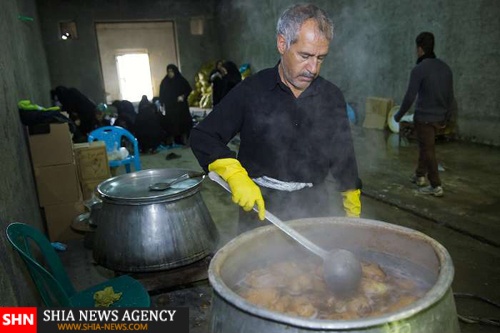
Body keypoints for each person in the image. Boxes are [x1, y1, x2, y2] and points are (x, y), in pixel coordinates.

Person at [190, 4, 362, 233]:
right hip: (261, 208)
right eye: (305, 55)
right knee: (258, 268)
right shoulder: (251, 90)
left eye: (321, 58)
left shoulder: (331, 96)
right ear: (282, 44)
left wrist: (351, 202)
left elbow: (343, 155)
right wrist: (234, 173)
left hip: (314, 208)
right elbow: (204, 135)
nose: (313, 68)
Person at [394, 32, 455, 197]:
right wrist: (448, 118)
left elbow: (409, 97)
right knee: (425, 146)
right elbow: (451, 97)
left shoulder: (419, 69)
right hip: (440, 118)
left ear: (420, 49)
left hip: (424, 118)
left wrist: (398, 116)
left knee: (428, 150)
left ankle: (436, 185)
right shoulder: (445, 68)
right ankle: (420, 175)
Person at [159, 64, 193, 146]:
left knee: (183, 122)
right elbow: (162, 94)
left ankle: (184, 139)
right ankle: (172, 140)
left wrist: (183, 96)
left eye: (171, 71)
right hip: (170, 106)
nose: (170, 73)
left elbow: (188, 89)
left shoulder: (181, 80)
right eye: (168, 72)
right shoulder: (165, 81)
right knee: (171, 123)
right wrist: (162, 105)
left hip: (181, 106)